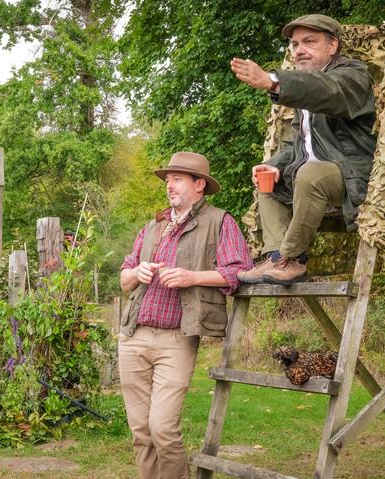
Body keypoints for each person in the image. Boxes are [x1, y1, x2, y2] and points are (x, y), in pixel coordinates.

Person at [118, 151, 252, 479]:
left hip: (175, 340)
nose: (169, 184)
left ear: (199, 185)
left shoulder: (220, 221)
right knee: (141, 432)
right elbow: (123, 280)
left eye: (177, 178)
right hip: (133, 337)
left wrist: (192, 276)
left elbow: (239, 272)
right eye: (168, 179)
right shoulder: (153, 227)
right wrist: (139, 271)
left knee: (162, 428)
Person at [230, 14, 377, 285]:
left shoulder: (352, 75)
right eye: (296, 44)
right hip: (314, 176)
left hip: (355, 175)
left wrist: (275, 82)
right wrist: (275, 163)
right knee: (266, 180)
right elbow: (301, 142)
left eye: (309, 42)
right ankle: (280, 257)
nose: (300, 50)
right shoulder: (306, 86)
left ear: (332, 46)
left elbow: (328, 92)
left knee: (310, 174)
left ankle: (288, 256)